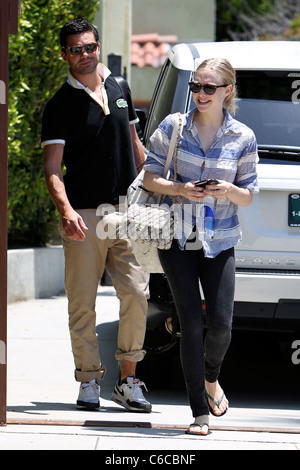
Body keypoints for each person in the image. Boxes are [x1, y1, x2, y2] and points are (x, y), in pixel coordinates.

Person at [41, 17, 151, 413]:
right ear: (64, 54)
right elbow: (53, 168)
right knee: (82, 303)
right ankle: (88, 380)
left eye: (90, 47)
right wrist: (66, 210)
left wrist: (152, 195)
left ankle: (128, 381)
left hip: (128, 212)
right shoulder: (59, 106)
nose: (84, 55)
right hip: (84, 215)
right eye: (75, 49)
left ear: (97, 46)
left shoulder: (120, 87)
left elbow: (136, 146)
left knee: (137, 294)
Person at [143, 58, 259, 434]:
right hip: (176, 236)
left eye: (209, 88)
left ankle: (211, 379)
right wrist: (179, 188)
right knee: (191, 321)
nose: (200, 94)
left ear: (228, 90)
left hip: (220, 239)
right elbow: (149, 178)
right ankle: (199, 413)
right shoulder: (173, 127)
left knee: (221, 326)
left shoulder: (242, 136)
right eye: (196, 86)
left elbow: (249, 196)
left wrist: (229, 190)